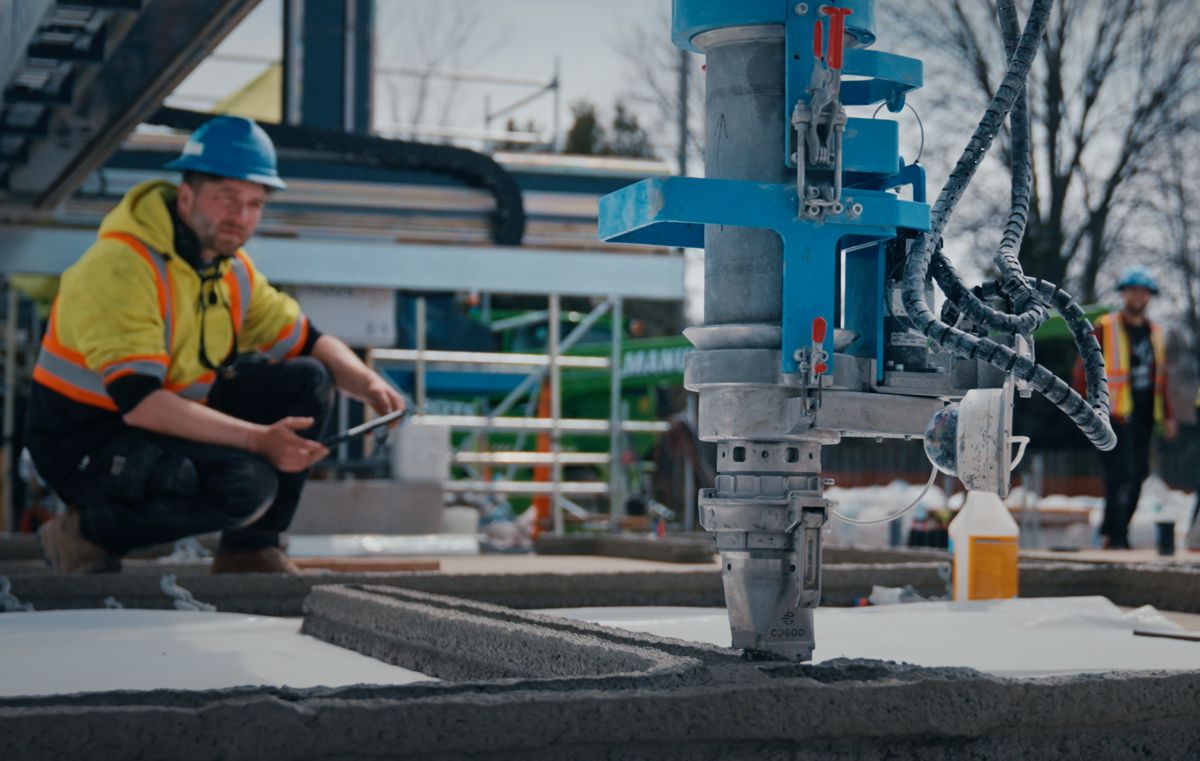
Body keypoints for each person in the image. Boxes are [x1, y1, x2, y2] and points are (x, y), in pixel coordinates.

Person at [28, 116, 405, 574]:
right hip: (87, 441)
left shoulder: (231, 271)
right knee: (246, 484)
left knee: (308, 376)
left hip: (154, 422)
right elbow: (141, 404)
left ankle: (251, 551)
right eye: (227, 199)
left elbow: (309, 339)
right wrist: (258, 440)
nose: (241, 217)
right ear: (186, 196)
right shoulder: (123, 265)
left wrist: (368, 384)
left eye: (254, 204)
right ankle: (88, 533)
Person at [1074, 266, 1176, 549]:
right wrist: (1088, 409)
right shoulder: (1105, 327)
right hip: (1114, 416)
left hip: (1144, 416)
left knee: (1139, 475)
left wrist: (1167, 416)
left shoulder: (1154, 333)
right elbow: (1083, 369)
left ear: (1149, 297)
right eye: (1133, 291)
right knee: (1120, 476)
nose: (1138, 296)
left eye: (1143, 292)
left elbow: (1161, 377)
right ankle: (1114, 536)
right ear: (1125, 294)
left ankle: (1116, 532)